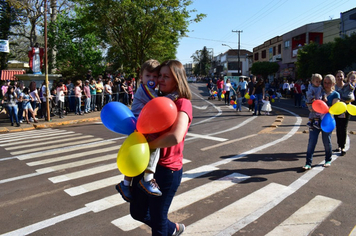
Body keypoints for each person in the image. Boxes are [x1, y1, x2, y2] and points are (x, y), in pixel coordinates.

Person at [128, 60, 192, 236]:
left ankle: (166, 228)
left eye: (166, 77)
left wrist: (147, 145)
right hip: (146, 163)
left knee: (157, 219)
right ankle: (172, 229)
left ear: (177, 80)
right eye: (159, 76)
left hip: (166, 169)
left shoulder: (182, 103)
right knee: (138, 212)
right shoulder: (156, 98)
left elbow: (175, 136)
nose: (160, 80)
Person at [117, 59, 166, 199]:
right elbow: (158, 102)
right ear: (141, 78)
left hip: (140, 126)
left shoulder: (150, 90)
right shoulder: (145, 90)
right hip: (142, 126)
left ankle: (125, 184)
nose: (151, 79)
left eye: (155, 76)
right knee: (155, 148)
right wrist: (172, 97)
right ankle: (148, 178)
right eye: (148, 76)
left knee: (134, 155)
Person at [303, 74, 340, 170]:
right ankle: (308, 163)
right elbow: (310, 102)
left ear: (333, 84)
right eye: (325, 82)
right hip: (315, 120)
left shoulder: (335, 94)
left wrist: (321, 107)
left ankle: (328, 159)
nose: (326, 84)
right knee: (311, 142)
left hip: (327, 121)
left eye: (329, 83)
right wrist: (310, 105)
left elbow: (333, 108)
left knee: (326, 141)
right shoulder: (319, 90)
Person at [334, 70, 355, 156]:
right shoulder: (334, 87)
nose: (340, 78)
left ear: (344, 77)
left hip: (346, 109)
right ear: (336, 78)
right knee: (338, 127)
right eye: (338, 76)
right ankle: (339, 145)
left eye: (341, 76)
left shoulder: (348, 86)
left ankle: (343, 147)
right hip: (337, 109)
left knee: (344, 127)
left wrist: (344, 100)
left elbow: (352, 96)